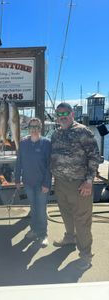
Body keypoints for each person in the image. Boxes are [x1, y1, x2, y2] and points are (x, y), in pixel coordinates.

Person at [51, 102, 102, 270]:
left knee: (82, 220)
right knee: (66, 214)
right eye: (59, 114)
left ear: (72, 114)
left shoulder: (83, 131)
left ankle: (86, 255)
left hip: (80, 185)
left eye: (65, 113)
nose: (62, 116)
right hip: (60, 183)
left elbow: (95, 157)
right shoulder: (56, 133)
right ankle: (69, 237)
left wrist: (89, 180)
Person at [15, 118, 51, 247]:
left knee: (41, 209)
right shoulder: (23, 143)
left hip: (42, 184)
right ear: (28, 128)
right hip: (28, 182)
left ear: (40, 128)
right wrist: (17, 179)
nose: (34, 129)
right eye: (31, 127)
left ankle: (43, 234)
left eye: (36, 127)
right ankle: (34, 230)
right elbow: (19, 162)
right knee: (33, 208)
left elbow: (49, 166)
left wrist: (47, 183)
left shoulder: (47, 143)